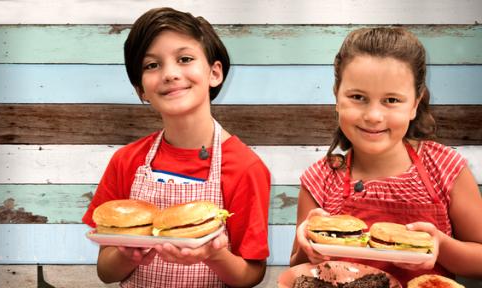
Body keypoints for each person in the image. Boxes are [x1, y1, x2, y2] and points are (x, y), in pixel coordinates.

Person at [82, 7, 271, 287]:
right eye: (152, 65)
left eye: (184, 59)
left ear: (214, 73)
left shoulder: (245, 167)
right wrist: (128, 255)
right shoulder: (125, 162)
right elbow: (106, 273)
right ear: (141, 90)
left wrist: (214, 255)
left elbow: (251, 274)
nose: (170, 74)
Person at [290, 27, 482, 285]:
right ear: (337, 96)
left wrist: (441, 246)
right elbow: (298, 268)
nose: (373, 116)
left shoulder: (445, 168)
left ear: (415, 103)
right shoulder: (320, 179)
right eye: (358, 97)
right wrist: (308, 243)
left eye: (391, 100)